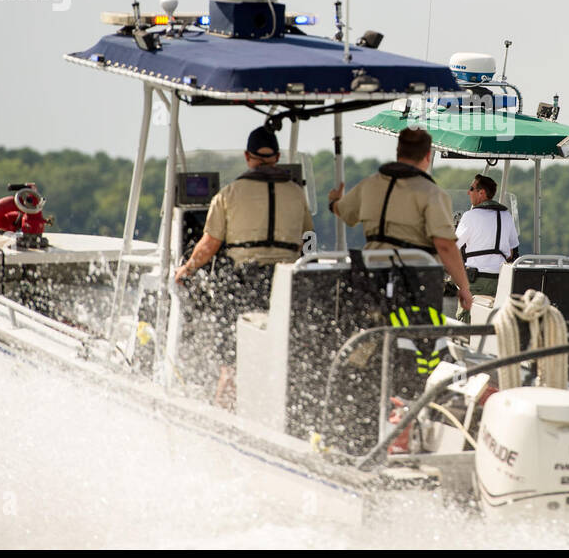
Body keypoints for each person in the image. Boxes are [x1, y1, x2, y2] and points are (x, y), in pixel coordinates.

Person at [174, 126, 314, 407]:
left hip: (244, 283)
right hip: (286, 283)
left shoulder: (228, 194)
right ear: (276, 157)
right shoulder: (298, 195)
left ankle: (224, 411)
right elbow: (307, 239)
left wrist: (185, 269)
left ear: (248, 157)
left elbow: (209, 246)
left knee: (232, 360)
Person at [327, 127, 473, 313]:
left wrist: (333, 200)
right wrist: (464, 288)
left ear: (398, 151)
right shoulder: (432, 193)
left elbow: (342, 210)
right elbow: (444, 245)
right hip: (414, 283)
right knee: (420, 338)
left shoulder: (368, 185)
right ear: (428, 155)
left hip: (370, 276)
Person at [455, 173, 520, 321]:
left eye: (471, 188)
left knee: (466, 323)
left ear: (481, 193)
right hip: (500, 282)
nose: (468, 192)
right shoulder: (506, 215)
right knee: (496, 322)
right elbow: (513, 250)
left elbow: (453, 246)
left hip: (476, 282)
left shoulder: (470, 216)